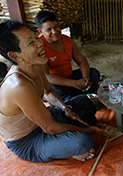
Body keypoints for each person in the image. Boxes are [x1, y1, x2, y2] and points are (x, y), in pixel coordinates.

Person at [0, 20, 107, 162]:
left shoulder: (34, 65)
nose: (40, 43)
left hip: (44, 120)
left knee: (84, 102)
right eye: (31, 42)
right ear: (15, 56)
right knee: (82, 142)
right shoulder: (19, 86)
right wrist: (90, 130)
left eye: (35, 37)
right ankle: (68, 146)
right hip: (28, 140)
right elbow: (50, 128)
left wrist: (65, 108)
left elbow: (48, 93)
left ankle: (64, 139)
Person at [34, 11, 100, 100]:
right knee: (54, 89)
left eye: (56, 27)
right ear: (40, 31)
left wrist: (85, 78)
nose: (54, 32)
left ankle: (76, 96)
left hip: (70, 77)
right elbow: (47, 76)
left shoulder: (67, 40)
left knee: (94, 73)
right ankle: (75, 97)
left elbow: (82, 61)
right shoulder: (39, 47)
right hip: (56, 83)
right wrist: (74, 83)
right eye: (49, 29)